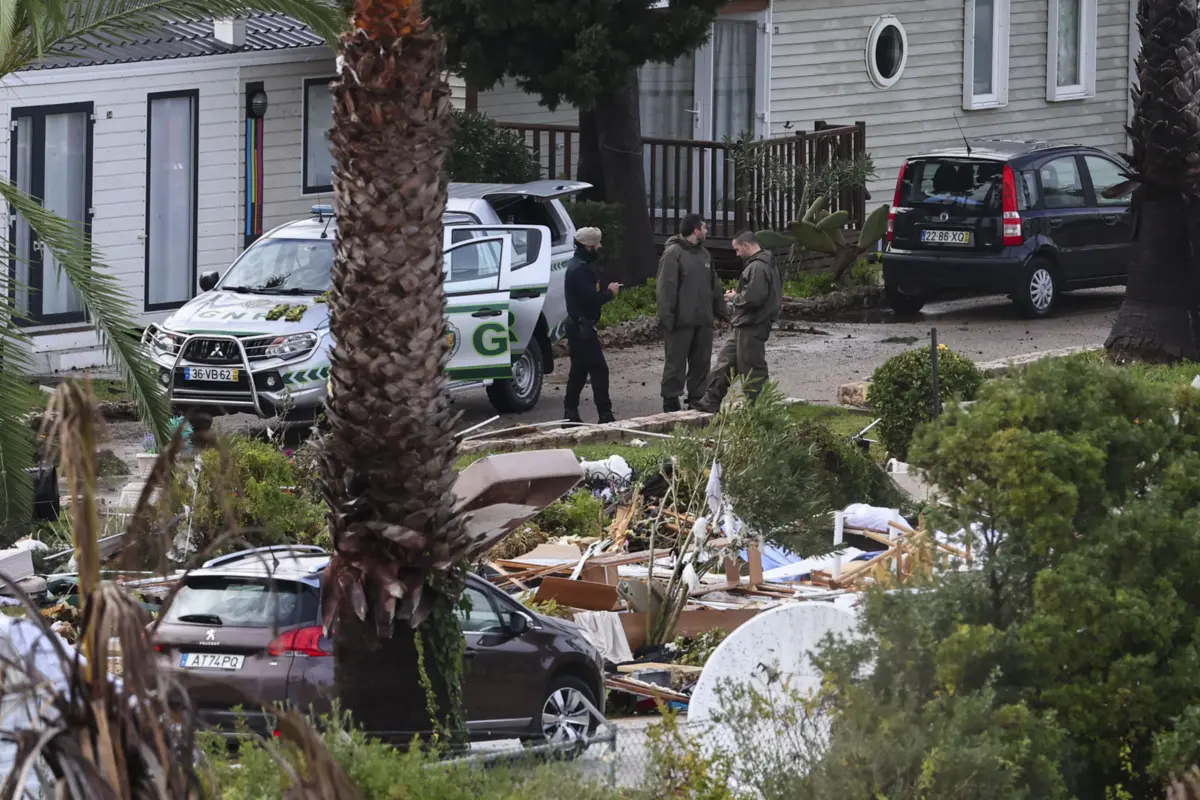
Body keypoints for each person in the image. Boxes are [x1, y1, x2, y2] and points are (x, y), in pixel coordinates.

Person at [693, 231, 782, 412]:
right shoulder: (765, 264)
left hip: (753, 325)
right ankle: (710, 401)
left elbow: (754, 297)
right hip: (745, 324)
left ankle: (760, 409)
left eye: (737, 249)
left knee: (751, 368)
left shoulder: (758, 266)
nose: (737, 254)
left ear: (746, 246)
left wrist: (735, 297)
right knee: (725, 361)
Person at [656, 214, 726, 412]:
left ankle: (697, 399)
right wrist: (667, 318)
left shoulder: (705, 254)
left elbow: (714, 285)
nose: (706, 230)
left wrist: (722, 312)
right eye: (704, 227)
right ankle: (670, 401)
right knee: (675, 364)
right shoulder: (673, 253)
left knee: (701, 363)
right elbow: (665, 288)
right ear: (695, 230)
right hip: (680, 321)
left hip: (703, 320)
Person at [563, 227, 621, 424]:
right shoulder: (581, 269)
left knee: (578, 372)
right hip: (583, 329)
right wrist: (610, 293)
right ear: (588, 246)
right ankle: (605, 414)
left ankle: (570, 413)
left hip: (577, 327)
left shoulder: (577, 265)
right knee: (599, 370)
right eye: (597, 243)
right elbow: (591, 299)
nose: (599, 246)